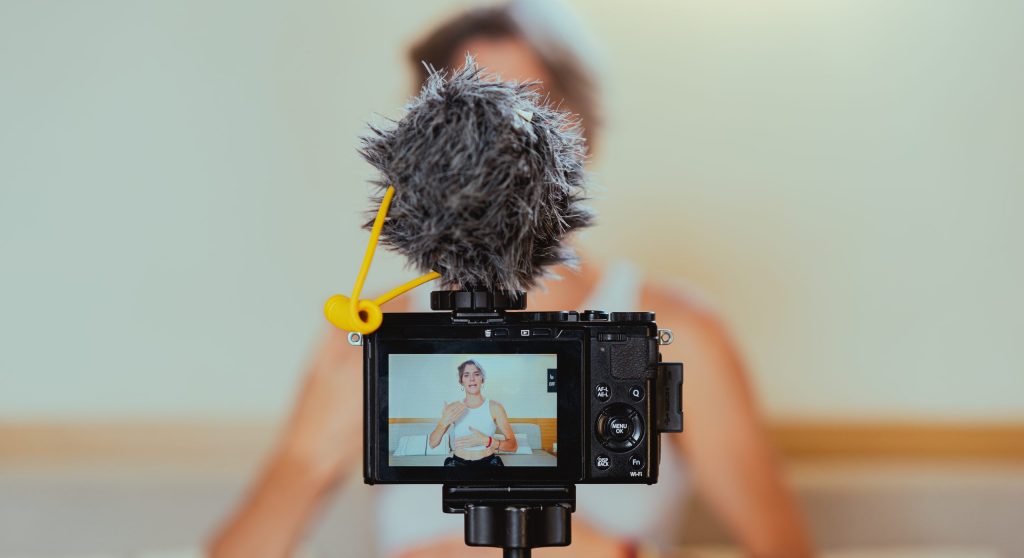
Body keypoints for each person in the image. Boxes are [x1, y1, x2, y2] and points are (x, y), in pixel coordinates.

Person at [210, 2, 814, 557]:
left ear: (579, 134)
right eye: (470, 114)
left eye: (527, 106)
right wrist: (304, 461)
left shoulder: (679, 333)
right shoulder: (375, 338)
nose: (496, 147)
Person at [431, 359, 518, 466]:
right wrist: (442, 423)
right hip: (458, 464)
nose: (472, 379)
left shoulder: (495, 407)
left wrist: (488, 441)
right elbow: (432, 444)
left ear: (482, 379)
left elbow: (513, 446)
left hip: (488, 464)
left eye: (476, 374)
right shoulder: (453, 408)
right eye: (466, 375)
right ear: (461, 381)